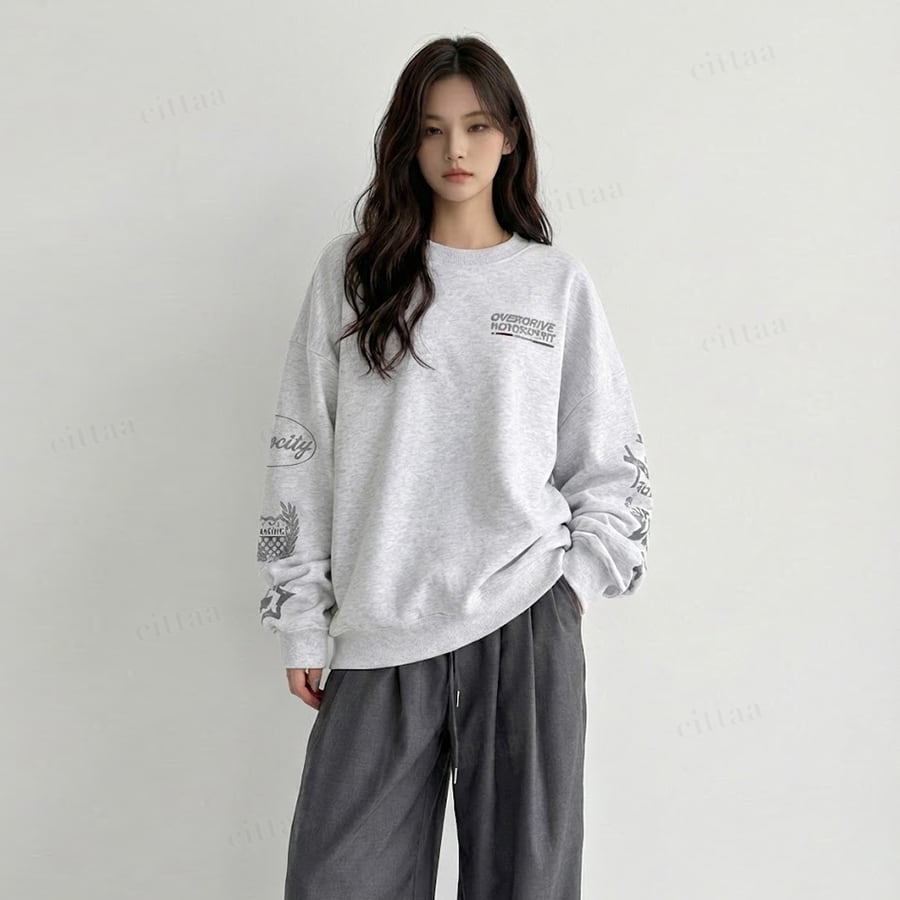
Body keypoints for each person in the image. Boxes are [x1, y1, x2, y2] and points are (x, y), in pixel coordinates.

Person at [256, 34, 653, 900]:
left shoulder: (554, 285)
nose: (455, 149)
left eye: (476, 126)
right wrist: (303, 617)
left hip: (525, 621)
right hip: (381, 624)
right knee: (336, 880)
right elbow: (301, 449)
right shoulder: (354, 274)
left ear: (509, 136)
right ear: (408, 141)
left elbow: (610, 460)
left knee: (527, 884)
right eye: (432, 129)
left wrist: (573, 587)